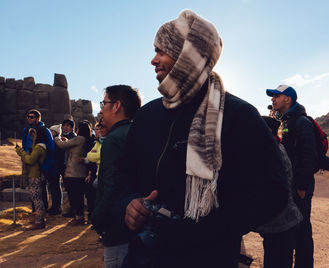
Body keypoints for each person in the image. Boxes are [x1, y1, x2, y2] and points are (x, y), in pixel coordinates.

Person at [123, 10, 288, 268]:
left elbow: (272, 192)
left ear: (187, 54)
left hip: (210, 257)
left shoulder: (238, 115)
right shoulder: (147, 115)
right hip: (144, 257)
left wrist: (206, 229)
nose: (153, 60)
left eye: (161, 51)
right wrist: (128, 204)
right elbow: (125, 176)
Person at [90, 85, 141, 268]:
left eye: (104, 103)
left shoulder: (114, 139)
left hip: (116, 226)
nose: (101, 109)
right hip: (136, 223)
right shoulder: (138, 132)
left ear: (117, 106)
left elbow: (110, 187)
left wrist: (97, 218)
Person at [266, 84, 318, 267]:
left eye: (276, 96)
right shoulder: (285, 121)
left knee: (302, 230)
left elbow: (308, 155)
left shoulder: (301, 121)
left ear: (287, 99)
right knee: (291, 229)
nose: (272, 99)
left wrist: (302, 187)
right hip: (290, 183)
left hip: (300, 185)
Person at [256, 116, 303, 268]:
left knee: (278, 260)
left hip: (282, 221)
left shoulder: (274, 151)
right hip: (277, 222)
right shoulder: (273, 147)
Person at [55, 121, 91, 225]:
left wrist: (56, 137)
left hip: (74, 172)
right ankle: (79, 217)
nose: (76, 130)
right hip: (81, 172)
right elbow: (71, 145)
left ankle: (78, 217)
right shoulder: (85, 139)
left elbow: (63, 145)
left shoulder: (79, 139)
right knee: (78, 196)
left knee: (74, 196)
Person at [21, 109, 55, 214]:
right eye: (28, 117)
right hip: (29, 161)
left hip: (42, 162)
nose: (29, 119)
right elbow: (24, 145)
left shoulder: (45, 130)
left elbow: (51, 147)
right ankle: (35, 210)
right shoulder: (26, 130)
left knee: (42, 186)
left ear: (38, 118)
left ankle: (42, 211)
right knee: (32, 187)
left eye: (32, 117)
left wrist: (46, 164)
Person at [16, 127, 48, 230]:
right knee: (36, 199)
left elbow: (30, 160)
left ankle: (39, 222)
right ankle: (39, 220)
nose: (31, 137)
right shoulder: (39, 147)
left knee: (37, 199)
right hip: (35, 175)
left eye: (33, 135)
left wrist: (20, 151)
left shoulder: (39, 147)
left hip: (35, 176)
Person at [59, 119, 77, 218]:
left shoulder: (74, 137)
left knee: (71, 188)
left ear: (71, 127)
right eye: (64, 125)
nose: (65, 127)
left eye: (68, 125)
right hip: (62, 165)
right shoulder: (62, 136)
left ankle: (73, 210)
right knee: (67, 187)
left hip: (70, 166)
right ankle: (71, 209)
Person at [48, 124, 64, 215]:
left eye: (52, 131)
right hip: (54, 167)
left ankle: (57, 207)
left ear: (56, 132)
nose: (50, 132)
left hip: (56, 167)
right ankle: (55, 206)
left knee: (56, 188)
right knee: (54, 188)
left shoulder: (57, 141)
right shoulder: (53, 141)